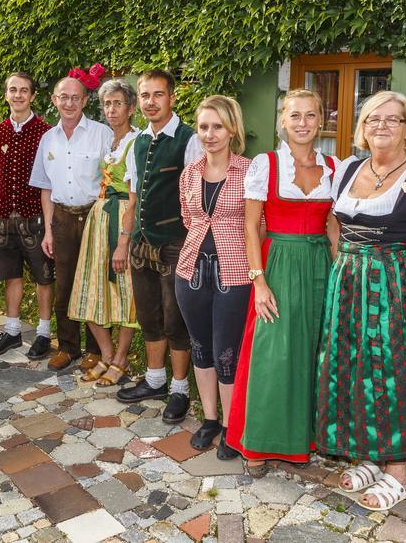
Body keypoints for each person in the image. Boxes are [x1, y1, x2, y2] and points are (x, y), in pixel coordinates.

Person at [318, 90, 406, 511]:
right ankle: (367, 453)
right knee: (351, 365)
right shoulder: (346, 170)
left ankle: (398, 471)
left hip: (398, 291)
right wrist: (344, 266)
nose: (381, 126)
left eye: (392, 119)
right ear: (362, 128)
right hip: (348, 285)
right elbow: (334, 225)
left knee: (395, 371)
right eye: (372, 119)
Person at [226, 89, 339, 477]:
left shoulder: (335, 167)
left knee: (312, 349)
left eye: (310, 115)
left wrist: (339, 274)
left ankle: (303, 440)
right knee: (273, 352)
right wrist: (258, 282)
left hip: (319, 264)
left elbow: (334, 228)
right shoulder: (267, 164)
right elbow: (249, 226)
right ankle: (258, 441)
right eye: (295, 116)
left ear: (321, 121)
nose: (303, 123)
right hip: (277, 261)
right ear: (283, 121)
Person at [116, 69, 203, 424]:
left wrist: (192, 246)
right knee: (148, 314)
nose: (151, 102)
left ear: (172, 97)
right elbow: (133, 197)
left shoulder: (189, 139)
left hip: (176, 244)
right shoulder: (137, 142)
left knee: (175, 318)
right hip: (141, 243)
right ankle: (155, 378)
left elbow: (198, 198)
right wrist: (125, 240)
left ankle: (180, 389)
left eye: (158, 95)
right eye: (146, 96)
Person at [175, 96, 251, 457]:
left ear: (232, 129)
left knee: (226, 353)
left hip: (234, 274)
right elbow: (189, 221)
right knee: (201, 347)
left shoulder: (251, 171)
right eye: (204, 126)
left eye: (217, 126)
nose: (209, 133)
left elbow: (259, 225)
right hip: (190, 270)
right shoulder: (189, 173)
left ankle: (233, 427)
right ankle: (210, 420)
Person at [30, 76, 110, 371]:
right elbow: (45, 187)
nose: (69, 103)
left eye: (76, 97)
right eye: (64, 97)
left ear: (85, 101)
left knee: (94, 283)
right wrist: (48, 229)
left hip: (93, 215)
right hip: (61, 217)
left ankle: (95, 350)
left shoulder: (101, 134)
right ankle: (67, 347)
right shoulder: (47, 139)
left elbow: (113, 179)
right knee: (63, 284)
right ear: (54, 100)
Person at [67, 79, 140, 386]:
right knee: (91, 287)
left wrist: (124, 241)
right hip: (99, 218)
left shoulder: (137, 143)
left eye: (118, 103)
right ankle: (107, 355)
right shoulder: (106, 140)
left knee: (124, 291)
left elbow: (136, 195)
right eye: (107, 104)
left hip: (123, 217)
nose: (112, 109)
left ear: (131, 108)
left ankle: (121, 360)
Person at [0, 72, 57, 360]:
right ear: (6, 95)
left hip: (35, 216)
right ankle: (12, 330)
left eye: (23, 90)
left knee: (43, 276)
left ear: (32, 96)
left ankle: (43, 332)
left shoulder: (45, 131)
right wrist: (1, 194)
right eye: (13, 90)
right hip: (4, 216)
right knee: (10, 274)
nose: (18, 95)